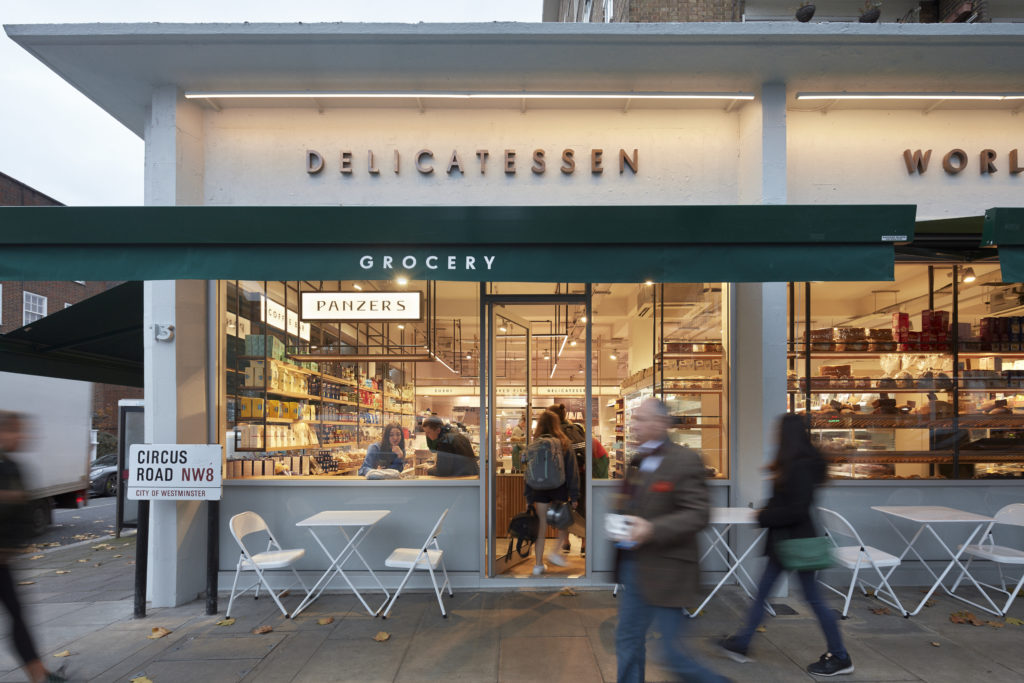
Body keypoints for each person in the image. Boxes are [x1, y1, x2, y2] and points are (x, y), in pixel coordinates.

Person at [718, 413, 853, 677]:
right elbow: (788, 502)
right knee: (765, 594)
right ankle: (741, 643)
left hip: (796, 543)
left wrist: (763, 516)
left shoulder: (799, 466)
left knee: (811, 599)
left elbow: (797, 509)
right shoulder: (793, 463)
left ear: (785, 435)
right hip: (787, 542)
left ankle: (840, 656)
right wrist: (768, 508)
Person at [615, 399, 728, 683]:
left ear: (661, 423)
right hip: (635, 566)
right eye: (634, 419)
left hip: (670, 571)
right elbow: (634, 504)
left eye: (641, 419)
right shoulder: (638, 460)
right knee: (627, 640)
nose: (634, 426)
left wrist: (651, 528)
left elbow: (698, 514)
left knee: (671, 655)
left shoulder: (685, 460)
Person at [0, 412, 68, 683]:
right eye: (17, 431)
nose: (23, 437)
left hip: (3, 558)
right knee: (16, 614)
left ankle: (39, 675)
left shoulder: (11, 465)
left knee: (17, 614)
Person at [523, 410, 579, 576]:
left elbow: (527, 472)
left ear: (540, 425)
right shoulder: (563, 443)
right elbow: (572, 471)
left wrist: (528, 497)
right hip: (559, 488)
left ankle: (538, 565)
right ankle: (555, 552)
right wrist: (574, 495)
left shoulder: (533, 444)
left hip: (538, 490)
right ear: (556, 425)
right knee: (563, 523)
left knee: (541, 525)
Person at [548, 404, 588, 554]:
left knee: (561, 507)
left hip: (562, 476)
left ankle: (565, 543)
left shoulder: (555, 432)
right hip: (581, 474)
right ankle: (584, 544)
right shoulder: (577, 428)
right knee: (582, 508)